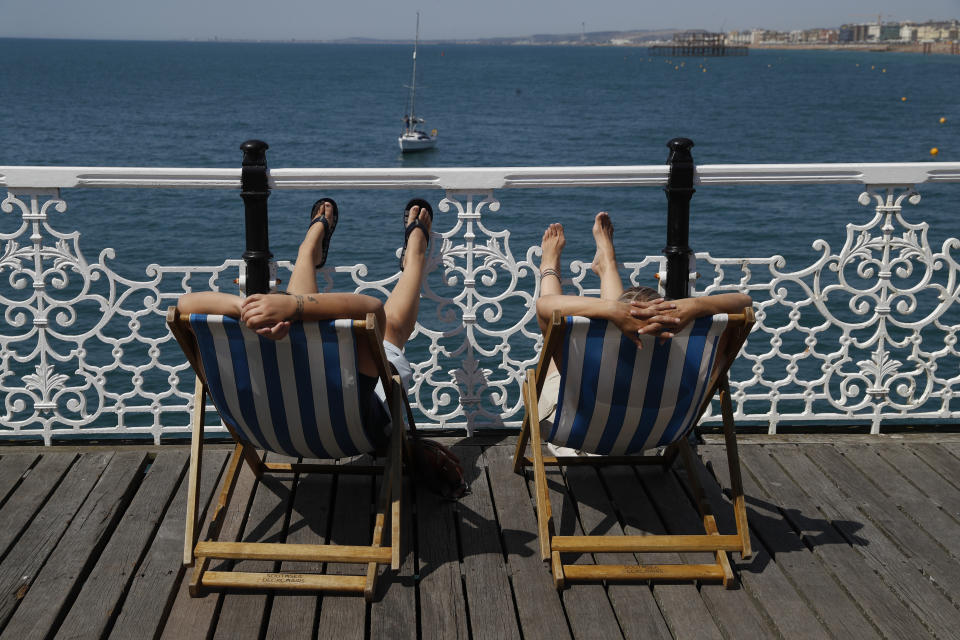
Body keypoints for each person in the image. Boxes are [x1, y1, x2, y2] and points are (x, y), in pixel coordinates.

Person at [176, 197, 434, 432]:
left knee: (298, 323)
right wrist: (295, 307)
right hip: (353, 430)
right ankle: (416, 254)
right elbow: (373, 309)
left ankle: (309, 249)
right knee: (392, 331)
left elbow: (183, 304)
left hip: (267, 433)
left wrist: (246, 310)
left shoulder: (242, 361)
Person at [534, 212, 752, 452]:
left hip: (578, 432)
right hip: (661, 432)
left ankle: (550, 266)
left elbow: (546, 306)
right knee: (619, 339)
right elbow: (744, 302)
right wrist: (693, 305)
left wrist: (612, 310)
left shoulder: (592, 357)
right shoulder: (688, 354)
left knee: (559, 342)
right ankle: (606, 263)